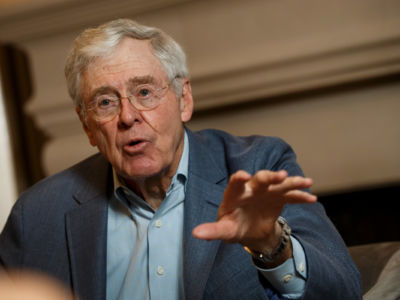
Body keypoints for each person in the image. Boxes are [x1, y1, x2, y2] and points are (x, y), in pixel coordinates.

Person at [0, 19, 362, 300]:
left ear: (183, 99)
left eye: (144, 92)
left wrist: (270, 244)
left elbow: (343, 291)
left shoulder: (257, 165)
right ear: (87, 126)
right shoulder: (36, 217)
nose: (128, 116)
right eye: (106, 102)